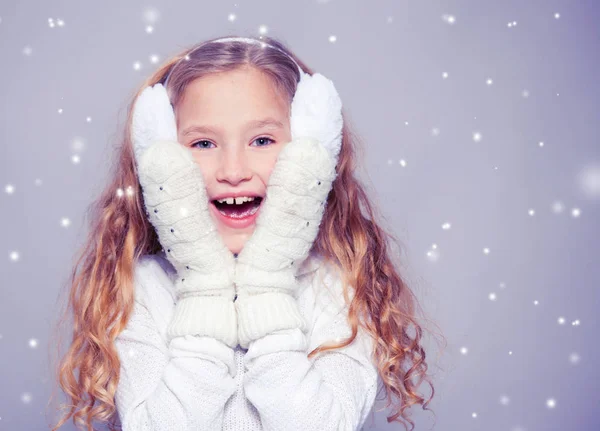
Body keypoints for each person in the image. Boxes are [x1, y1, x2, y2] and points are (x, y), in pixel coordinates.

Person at [48, 35, 438, 431]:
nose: (233, 171)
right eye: (203, 143)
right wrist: (203, 284)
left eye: (262, 140)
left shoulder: (336, 289)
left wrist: (267, 279)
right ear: (162, 160)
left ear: (310, 150)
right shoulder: (141, 290)